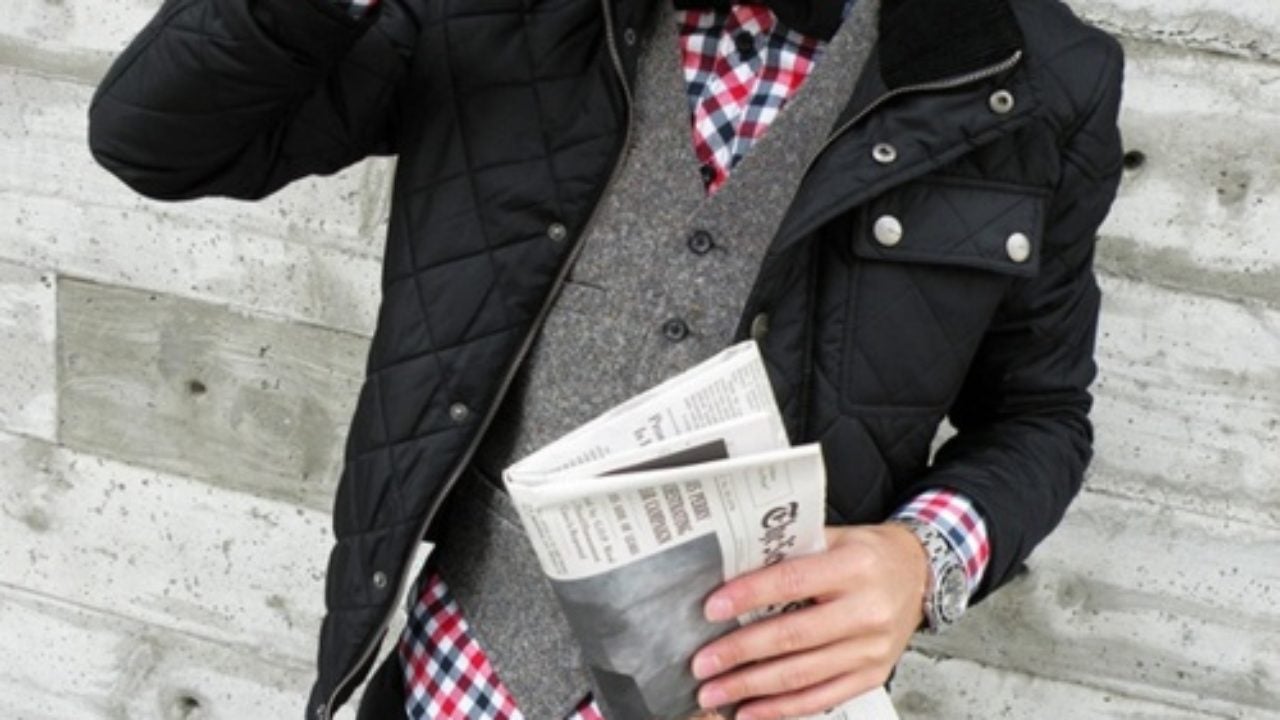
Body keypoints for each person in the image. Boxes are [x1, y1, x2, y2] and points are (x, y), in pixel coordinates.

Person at [87, 0, 1125, 717]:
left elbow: (1037, 414)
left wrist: (924, 558)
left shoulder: (1041, 76)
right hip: (457, 681)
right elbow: (158, 140)